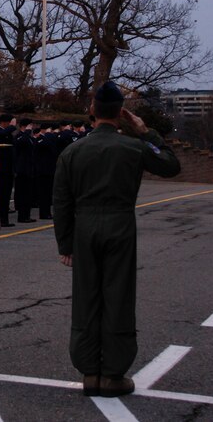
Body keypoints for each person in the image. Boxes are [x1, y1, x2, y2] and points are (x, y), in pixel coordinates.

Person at [53, 82, 180, 397]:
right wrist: (145, 131)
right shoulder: (133, 147)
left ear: (92, 111)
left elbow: (62, 203)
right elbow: (170, 165)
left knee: (87, 298)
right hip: (120, 224)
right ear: (122, 114)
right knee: (117, 298)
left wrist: (65, 244)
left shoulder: (72, 151)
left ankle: (89, 371)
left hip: (84, 227)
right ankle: (113, 372)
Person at [0, 114, 17, 227]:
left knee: (6, 195)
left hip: (8, 168)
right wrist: (11, 127)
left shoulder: (7, 133)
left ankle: (4, 219)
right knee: (1, 194)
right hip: (0, 168)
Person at [13, 118, 36, 223]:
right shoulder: (19, 136)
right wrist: (26, 131)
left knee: (28, 194)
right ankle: (22, 216)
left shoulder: (29, 137)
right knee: (23, 194)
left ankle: (27, 214)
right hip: (22, 169)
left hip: (29, 168)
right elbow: (21, 143)